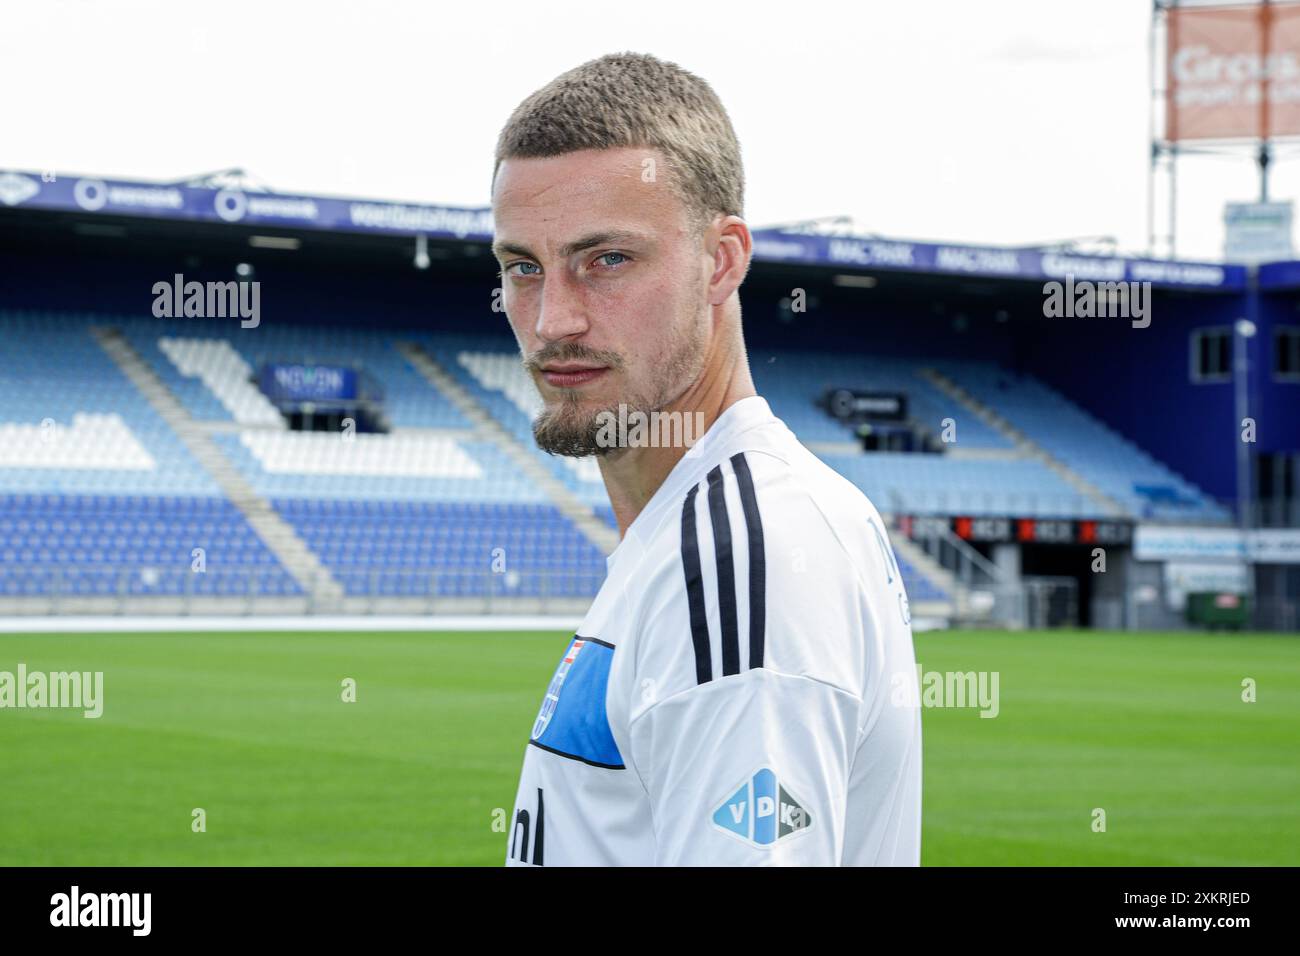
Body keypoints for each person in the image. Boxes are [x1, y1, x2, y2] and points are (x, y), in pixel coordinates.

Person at [492, 51, 921, 866]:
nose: (552, 320)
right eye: (523, 268)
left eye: (606, 260)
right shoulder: (697, 529)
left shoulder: (740, 564)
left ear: (721, 260)